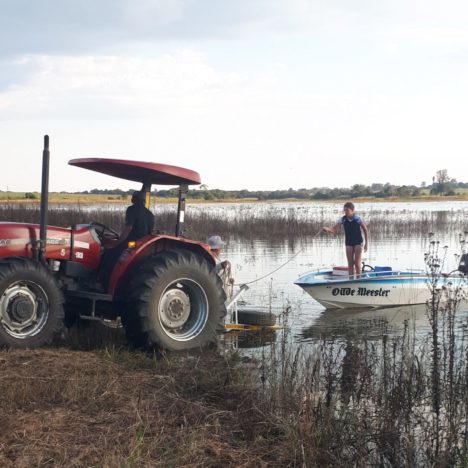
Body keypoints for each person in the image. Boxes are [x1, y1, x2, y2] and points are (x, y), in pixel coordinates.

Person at [99, 191, 155, 287]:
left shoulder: (132, 209)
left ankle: (102, 282)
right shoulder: (150, 214)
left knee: (108, 253)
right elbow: (150, 232)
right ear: (144, 201)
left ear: (133, 199)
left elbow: (128, 228)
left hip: (131, 243)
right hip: (141, 245)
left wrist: (117, 243)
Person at [322, 202, 369, 277]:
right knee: (350, 263)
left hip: (358, 242)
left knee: (357, 263)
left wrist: (366, 244)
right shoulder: (342, 219)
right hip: (348, 243)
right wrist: (327, 229)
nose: (345, 211)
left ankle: (358, 279)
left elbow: (365, 230)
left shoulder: (357, 219)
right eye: (344, 210)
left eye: (347, 210)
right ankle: (351, 280)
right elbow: (334, 230)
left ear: (352, 210)